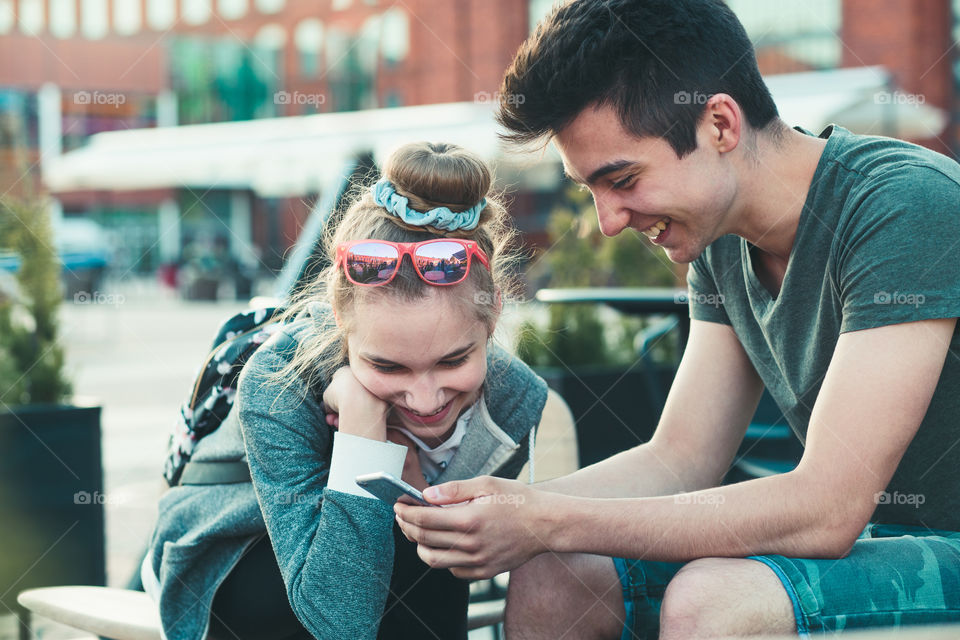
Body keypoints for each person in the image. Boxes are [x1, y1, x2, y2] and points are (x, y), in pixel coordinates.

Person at [394, 1, 960, 638]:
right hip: (878, 545)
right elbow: (680, 459)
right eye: (591, 191)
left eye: (624, 178)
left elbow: (826, 508)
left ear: (719, 123)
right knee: (557, 574)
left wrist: (546, 517)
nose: (608, 221)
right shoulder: (719, 239)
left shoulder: (904, 207)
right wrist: (505, 511)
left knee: (712, 599)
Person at [141, 142, 554, 640]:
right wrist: (363, 435)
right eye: (388, 366)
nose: (425, 400)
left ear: (494, 316)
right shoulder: (276, 380)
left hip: (391, 582)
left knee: (427, 548)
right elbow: (337, 619)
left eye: (453, 361)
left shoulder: (514, 403)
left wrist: (419, 488)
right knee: (397, 551)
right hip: (236, 552)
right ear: (341, 322)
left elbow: (462, 569)